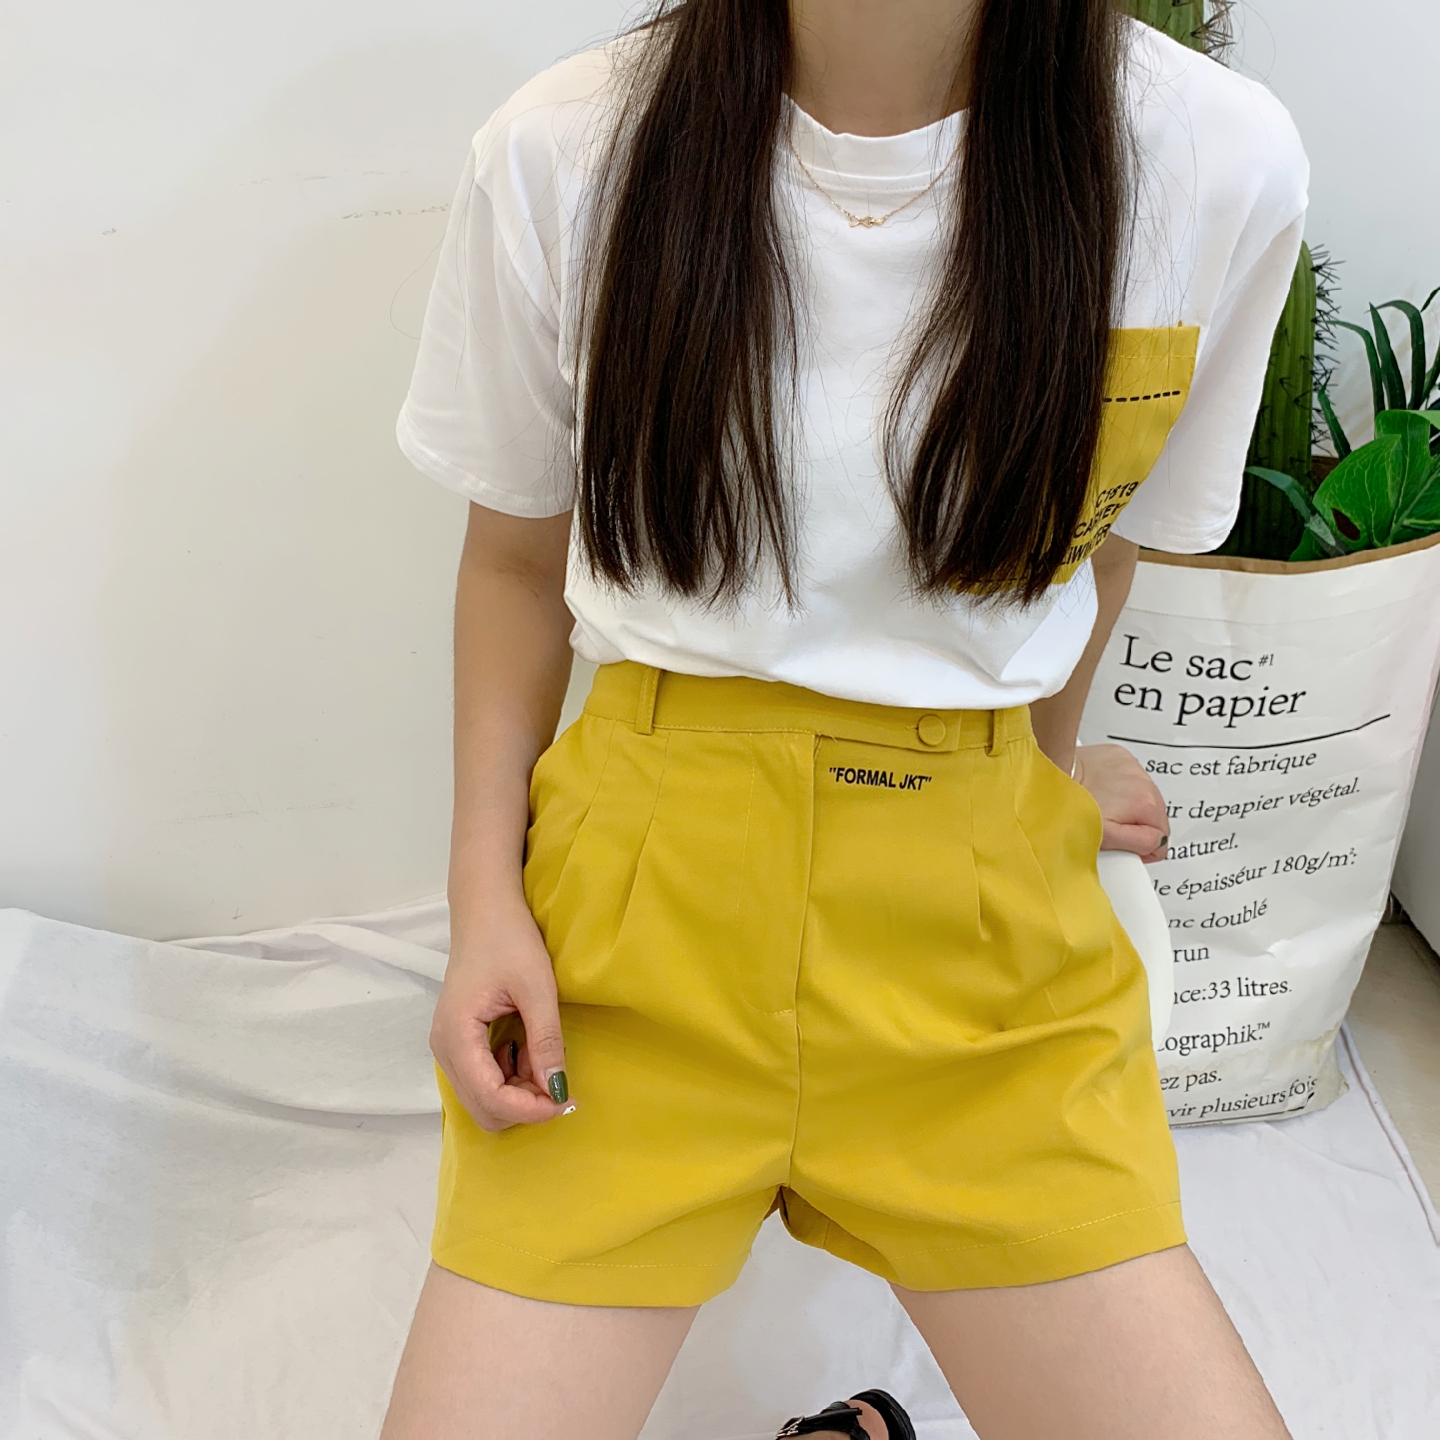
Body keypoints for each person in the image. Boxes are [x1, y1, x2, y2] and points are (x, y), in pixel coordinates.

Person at [381, 0, 1307, 1435]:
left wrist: (1039, 777)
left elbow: (1101, 550)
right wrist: (481, 905)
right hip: (634, 929)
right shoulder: (567, 146)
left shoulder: (1211, 154)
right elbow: (512, 565)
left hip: (985, 958)